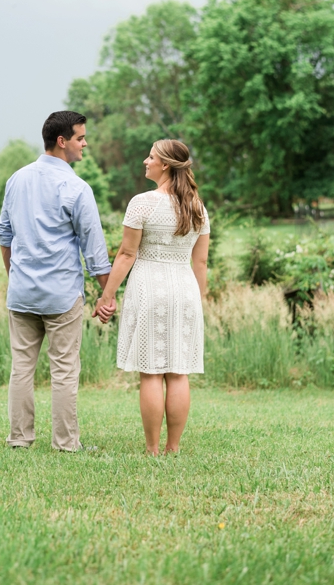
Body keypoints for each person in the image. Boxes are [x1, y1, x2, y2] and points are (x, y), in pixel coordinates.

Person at [0, 111, 114, 452]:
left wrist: (15, 276)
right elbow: (94, 250)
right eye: (80, 137)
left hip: (21, 293)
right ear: (62, 141)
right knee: (64, 371)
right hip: (62, 296)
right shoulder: (76, 188)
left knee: (21, 368)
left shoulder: (16, 179)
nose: (85, 144)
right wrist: (107, 295)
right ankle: (65, 443)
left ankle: (19, 438)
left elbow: (5, 236)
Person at [94, 139, 209, 456]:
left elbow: (126, 254)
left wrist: (107, 296)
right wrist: (199, 300)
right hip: (184, 289)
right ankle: (173, 447)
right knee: (178, 371)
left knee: (151, 372)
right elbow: (200, 262)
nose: (146, 161)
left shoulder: (142, 203)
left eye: (151, 157)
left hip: (149, 288)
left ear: (166, 165)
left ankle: (152, 448)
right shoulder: (197, 207)